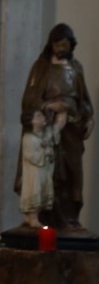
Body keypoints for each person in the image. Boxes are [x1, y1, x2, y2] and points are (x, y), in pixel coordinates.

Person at [14, 23, 93, 233]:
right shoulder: (41, 68)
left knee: (72, 173)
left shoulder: (76, 68)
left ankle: (70, 217)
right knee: (50, 173)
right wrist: (50, 106)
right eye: (58, 45)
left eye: (65, 45)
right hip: (47, 128)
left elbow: (84, 100)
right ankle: (45, 217)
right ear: (51, 45)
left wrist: (89, 118)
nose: (61, 49)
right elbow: (29, 99)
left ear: (71, 45)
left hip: (72, 130)